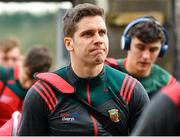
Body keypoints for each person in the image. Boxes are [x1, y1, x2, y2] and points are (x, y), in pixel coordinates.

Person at [18, 3, 149, 136]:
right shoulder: (44, 94)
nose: (98, 40)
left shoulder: (130, 89)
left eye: (102, 33)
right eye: (88, 34)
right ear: (69, 43)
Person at [105, 16, 176, 99]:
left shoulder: (167, 83)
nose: (146, 56)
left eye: (153, 50)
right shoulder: (107, 69)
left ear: (161, 51)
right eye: (140, 48)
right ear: (127, 44)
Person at [0, 46, 52, 127]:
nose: (28, 84)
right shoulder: (3, 76)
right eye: (26, 77)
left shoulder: (42, 93)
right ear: (23, 63)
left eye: (33, 81)